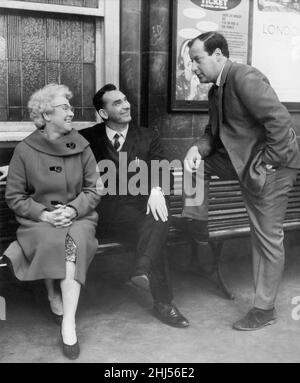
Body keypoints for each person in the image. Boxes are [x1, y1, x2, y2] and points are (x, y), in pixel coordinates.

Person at [183, 32, 300, 331]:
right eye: (192, 61)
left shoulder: (244, 77)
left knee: (266, 238)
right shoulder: (215, 90)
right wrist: (198, 148)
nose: (194, 67)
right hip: (244, 162)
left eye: (198, 59)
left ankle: (264, 310)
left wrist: (269, 162)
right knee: (195, 165)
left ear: (218, 54)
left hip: (271, 165)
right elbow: (212, 132)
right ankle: (197, 227)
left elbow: (280, 122)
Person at [80, 84, 189, 328]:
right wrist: (16, 166)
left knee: (158, 215)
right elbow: (52, 151)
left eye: (125, 99)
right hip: (107, 211)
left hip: (140, 208)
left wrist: (157, 190)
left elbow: (163, 169)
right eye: (117, 102)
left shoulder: (148, 135)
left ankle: (142, 270)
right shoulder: (88, 138)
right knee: (155, 228)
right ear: (104, 113)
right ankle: (163, 302)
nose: (126, 104)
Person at [4, 84, 101, 359]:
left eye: (70, 107)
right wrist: (43, 214)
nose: (72, 112)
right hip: (38, 221)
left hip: (79, 218)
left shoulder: (82, 147)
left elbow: (93, 190)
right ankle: (52, 294)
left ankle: (68, 322)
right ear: (46, 115)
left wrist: (72, 210)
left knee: (71, 243)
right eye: (65, 108)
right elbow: (15, 196)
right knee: (51, 238)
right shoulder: (25, 150)